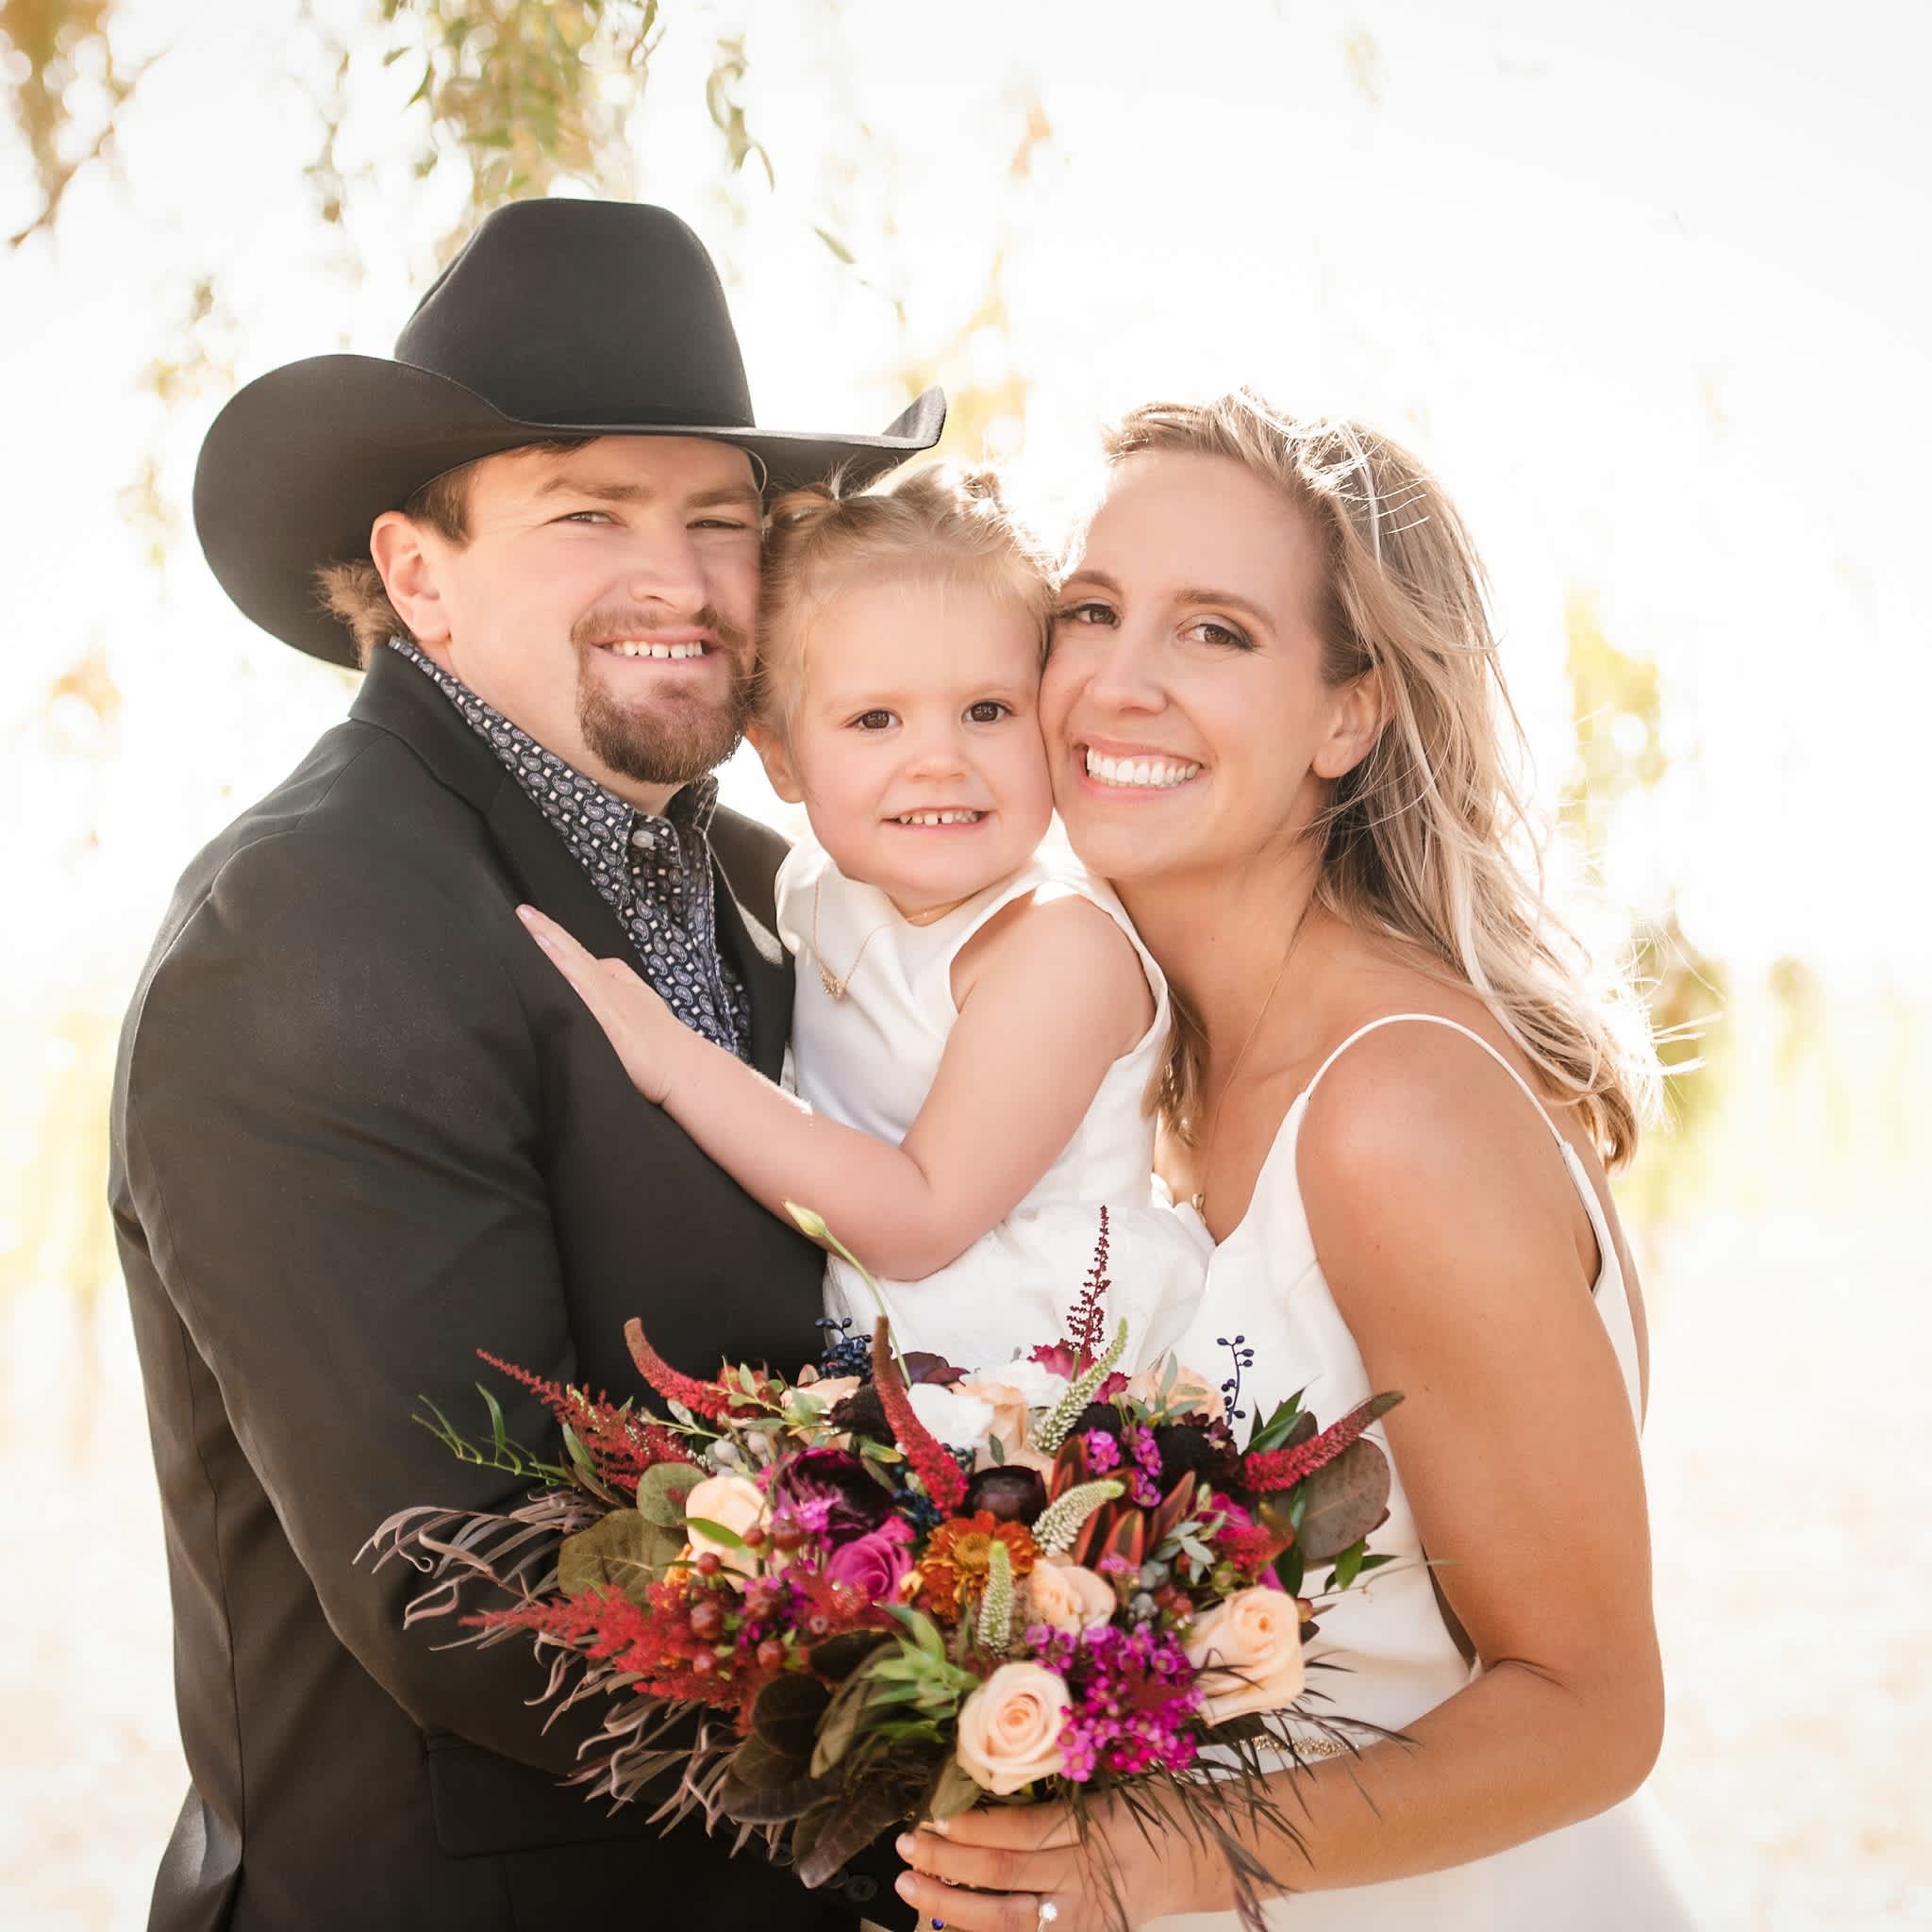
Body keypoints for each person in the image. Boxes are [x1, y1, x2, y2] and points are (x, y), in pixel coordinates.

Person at [108, 198, 942, 1932]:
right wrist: (995, 1744)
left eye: (722, 520)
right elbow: (472, 1574)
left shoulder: (775, 890)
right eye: (590, 514)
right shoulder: (314, 919)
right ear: (417, 574)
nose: (680, 580)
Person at [893, 393, 1701, 1928]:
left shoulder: (1396, 1111)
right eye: (1091, 610)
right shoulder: (1131, 1071)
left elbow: (1592, 1705)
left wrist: (1154, 1854)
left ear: (1348, 716)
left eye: (1214, 631)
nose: (1118, 681)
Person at [520, 465, 1208, 1380]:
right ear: (780, 757)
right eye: (875, 719)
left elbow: (919, 1218)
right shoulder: (811, 883)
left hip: (1038, 1375)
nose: (938, 760)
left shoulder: (1057, 948)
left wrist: (679, 1064)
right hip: (871, 1361)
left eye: (987, 710)